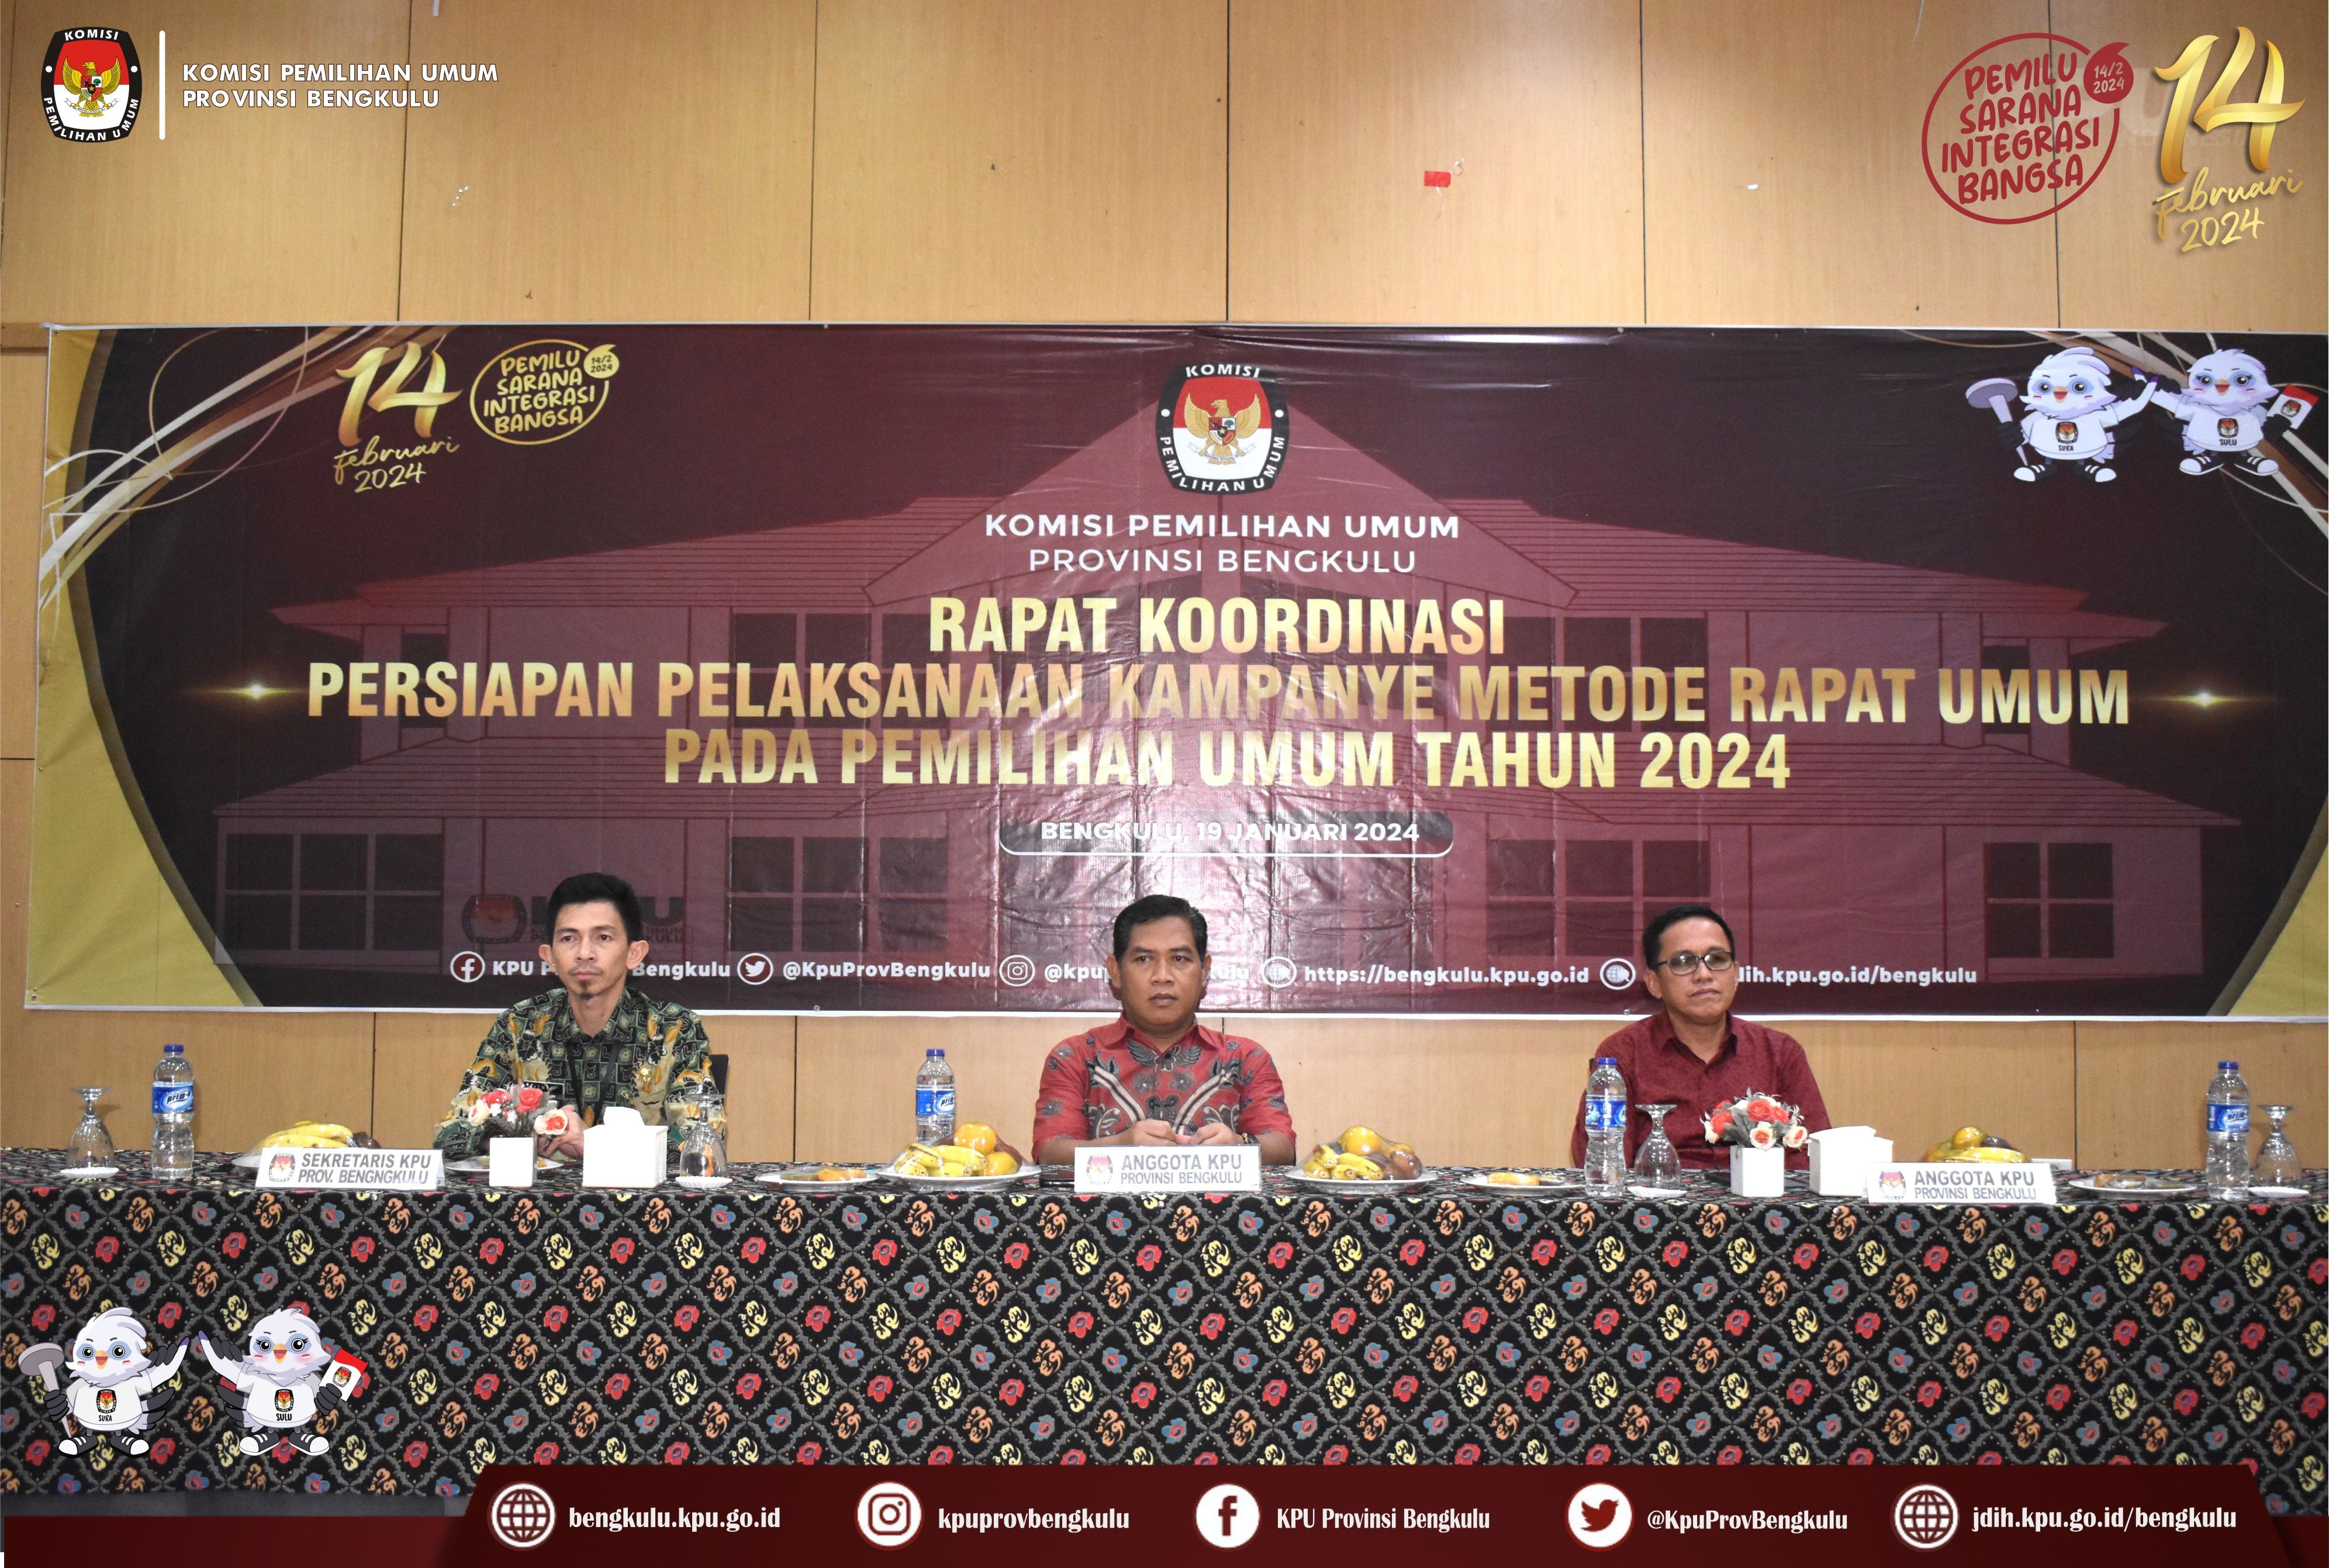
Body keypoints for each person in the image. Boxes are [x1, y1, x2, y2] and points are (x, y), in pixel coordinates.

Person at [433, 872, 712, 1161]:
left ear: (634, 954)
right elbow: (450, 1135)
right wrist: (513, 1137)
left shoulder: (674, 1029)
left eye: (603, 937)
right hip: (536, 1189)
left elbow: (702, 1140)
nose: (584, 953)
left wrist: (599, 1146)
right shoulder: (519, 1025)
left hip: (637, 1189)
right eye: (569, 938)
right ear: (550, 956)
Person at [1032, 894, 1298, 1166]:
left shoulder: (1244, 1057)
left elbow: (1283, 1148)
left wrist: (1239, 1147)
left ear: (1204, 971)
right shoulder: (1076, 1057)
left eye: (1179, 958)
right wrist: (1120, 1147)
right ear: (1116, 972)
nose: (1162, 976)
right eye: (1144, 959)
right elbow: (1050, 1154)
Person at [1569, 903, 1832, 1170]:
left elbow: (1812, 1157)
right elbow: (1603, 1163)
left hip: (1758, 1195)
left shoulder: (1780, 1053)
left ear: (1736, 975)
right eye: (1683, 962)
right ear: (1654, 984)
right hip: (1660, 1195)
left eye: (1717, 960)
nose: (1704, 975)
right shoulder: (1623, 1053)